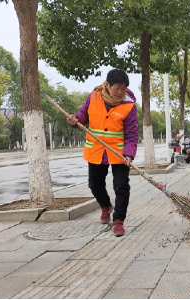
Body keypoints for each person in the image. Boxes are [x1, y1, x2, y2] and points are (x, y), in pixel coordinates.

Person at [67, 69, 139, 237]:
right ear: (107, 85)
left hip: (119, 153)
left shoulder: (129, 105)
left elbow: (132, 133)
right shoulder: (94, 97)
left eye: (123, 88)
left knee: (121, 186)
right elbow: (84, 114)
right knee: (94, 184)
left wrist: (129, 154)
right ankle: (105, 205)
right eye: (117, 88)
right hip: (97, 151)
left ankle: (118, 220)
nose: (120, 92)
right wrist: (75, 119)